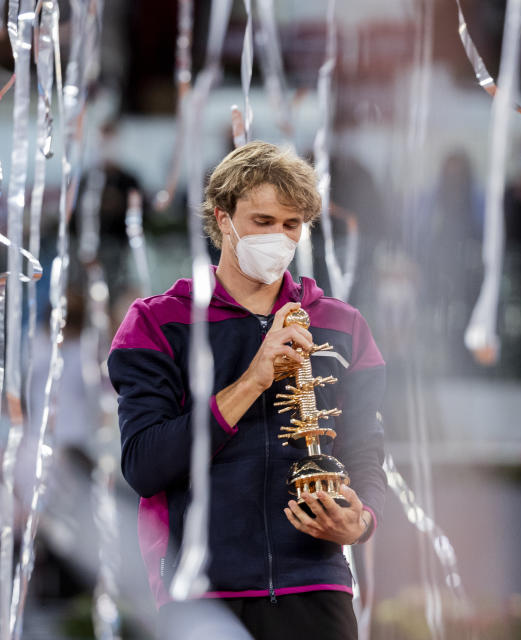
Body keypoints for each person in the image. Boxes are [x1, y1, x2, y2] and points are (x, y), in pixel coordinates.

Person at [108, 141, 387, 639]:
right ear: (223, 219)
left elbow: (364, 448)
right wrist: (254, 378)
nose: (279, 237)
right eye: (262, 221)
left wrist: (361, 522)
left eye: (291, 224)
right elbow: (144, 465)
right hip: (201, 594)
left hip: (316, 588)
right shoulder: (158, 323)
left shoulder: (342, 325)